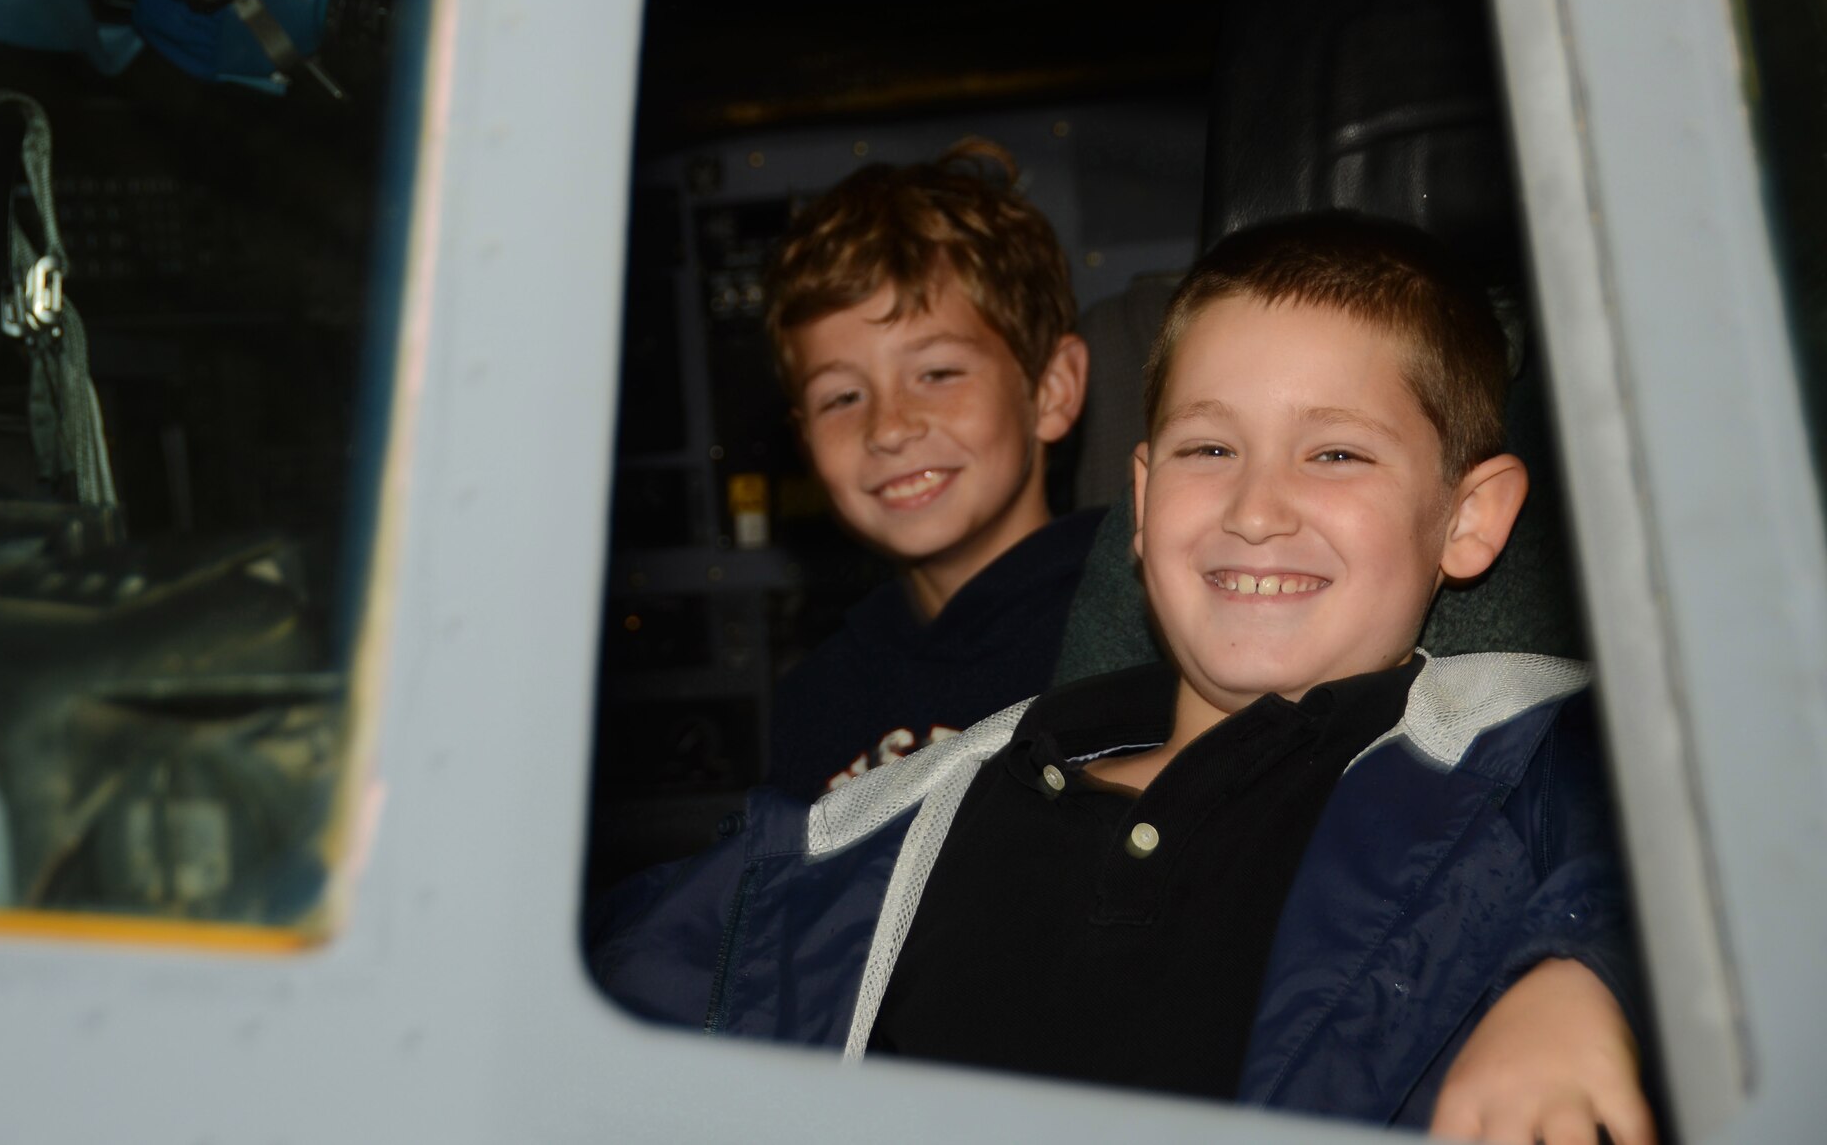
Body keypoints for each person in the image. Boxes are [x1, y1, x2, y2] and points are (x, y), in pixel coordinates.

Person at [592, 213, 1655, 1142]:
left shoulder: (1528, 761)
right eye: (1206, 450)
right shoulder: (924, 803)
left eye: (1333, 454)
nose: (1253, 507)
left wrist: (1582, 975)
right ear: (1140, 504)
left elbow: (1733, 825)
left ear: (1467, 518)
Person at [761, 139, 1097, 798]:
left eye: (937, 373)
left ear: (1051, 389)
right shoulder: (817, 699)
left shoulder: (1147, 631)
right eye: (841, 397)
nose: (887, 427)